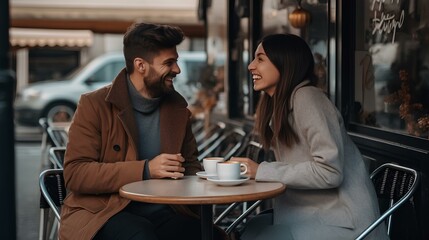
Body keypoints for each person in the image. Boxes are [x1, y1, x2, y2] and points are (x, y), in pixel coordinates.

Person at [59, 22, 227, 240]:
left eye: (176, 61)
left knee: (209, 235)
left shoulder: (177, 108)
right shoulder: (94, 104)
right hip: (103, 213)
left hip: (164, 211)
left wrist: (210, 181)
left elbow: (190, 165)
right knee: (140, 234)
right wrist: (146, 169)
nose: (177, 69)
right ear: (141, 65)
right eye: (169, 62)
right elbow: (75, 173)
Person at [231, 34, 388, 240]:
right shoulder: (281, 105)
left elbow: (330, 172)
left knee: (253, 235)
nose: (251, 66)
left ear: (285, 63)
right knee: (249, 230)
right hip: (309, 216)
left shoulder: (307, 98)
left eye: (260, 59)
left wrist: (262, 170)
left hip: (343, 222)